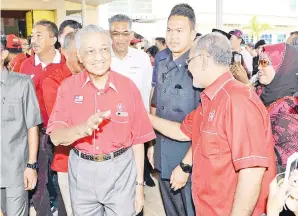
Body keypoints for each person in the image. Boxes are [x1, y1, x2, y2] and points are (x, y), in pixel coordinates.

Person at [149, 32, 276, 215]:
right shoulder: (210, 98)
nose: (188, 68)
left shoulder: (238, 101)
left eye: (189, 61)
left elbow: (252, 171)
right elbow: (183, 132)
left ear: (203, 60)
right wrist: (146, 117)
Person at [47, 24, 156, 216]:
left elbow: (138, 141)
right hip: (82, 171)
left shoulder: (127, 87)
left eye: (104, 49)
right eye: (90, 51)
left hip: (121, 170)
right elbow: (55, 137)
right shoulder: (68, 88)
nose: (99, 57)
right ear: (79, 56)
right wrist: (82, 129)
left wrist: (139, 185)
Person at [150, 4, 199, 216]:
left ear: (192, 33)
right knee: (170, 210)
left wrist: (186, 166)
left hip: (188, 154)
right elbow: (155, 103)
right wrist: (152, 144)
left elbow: (204, 124)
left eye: (179, 31)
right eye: (169, 30)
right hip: (162, 150)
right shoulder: (161, 59)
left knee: (189, 209)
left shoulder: (200, 64)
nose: (173, 36)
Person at [19, 19, 67, 215]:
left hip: (61, 132)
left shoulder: (66, 64)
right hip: (35, 132)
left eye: (39, 35)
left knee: (60, 177)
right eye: (32, 36)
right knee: (39, 177)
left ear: (54, 39)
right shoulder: (24, 66)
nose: (34, 40)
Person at [42, 32, 84, 216]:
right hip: (67, 159)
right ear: (65, 52)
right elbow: (60, 124)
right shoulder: (53, 81)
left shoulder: (95, 77)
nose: (83, 57)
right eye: (78, 52)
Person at [1, 34, 42, 216]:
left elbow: (32, 126)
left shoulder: (22, 83)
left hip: (15, 171)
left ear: (3, 54)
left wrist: (31, 166)